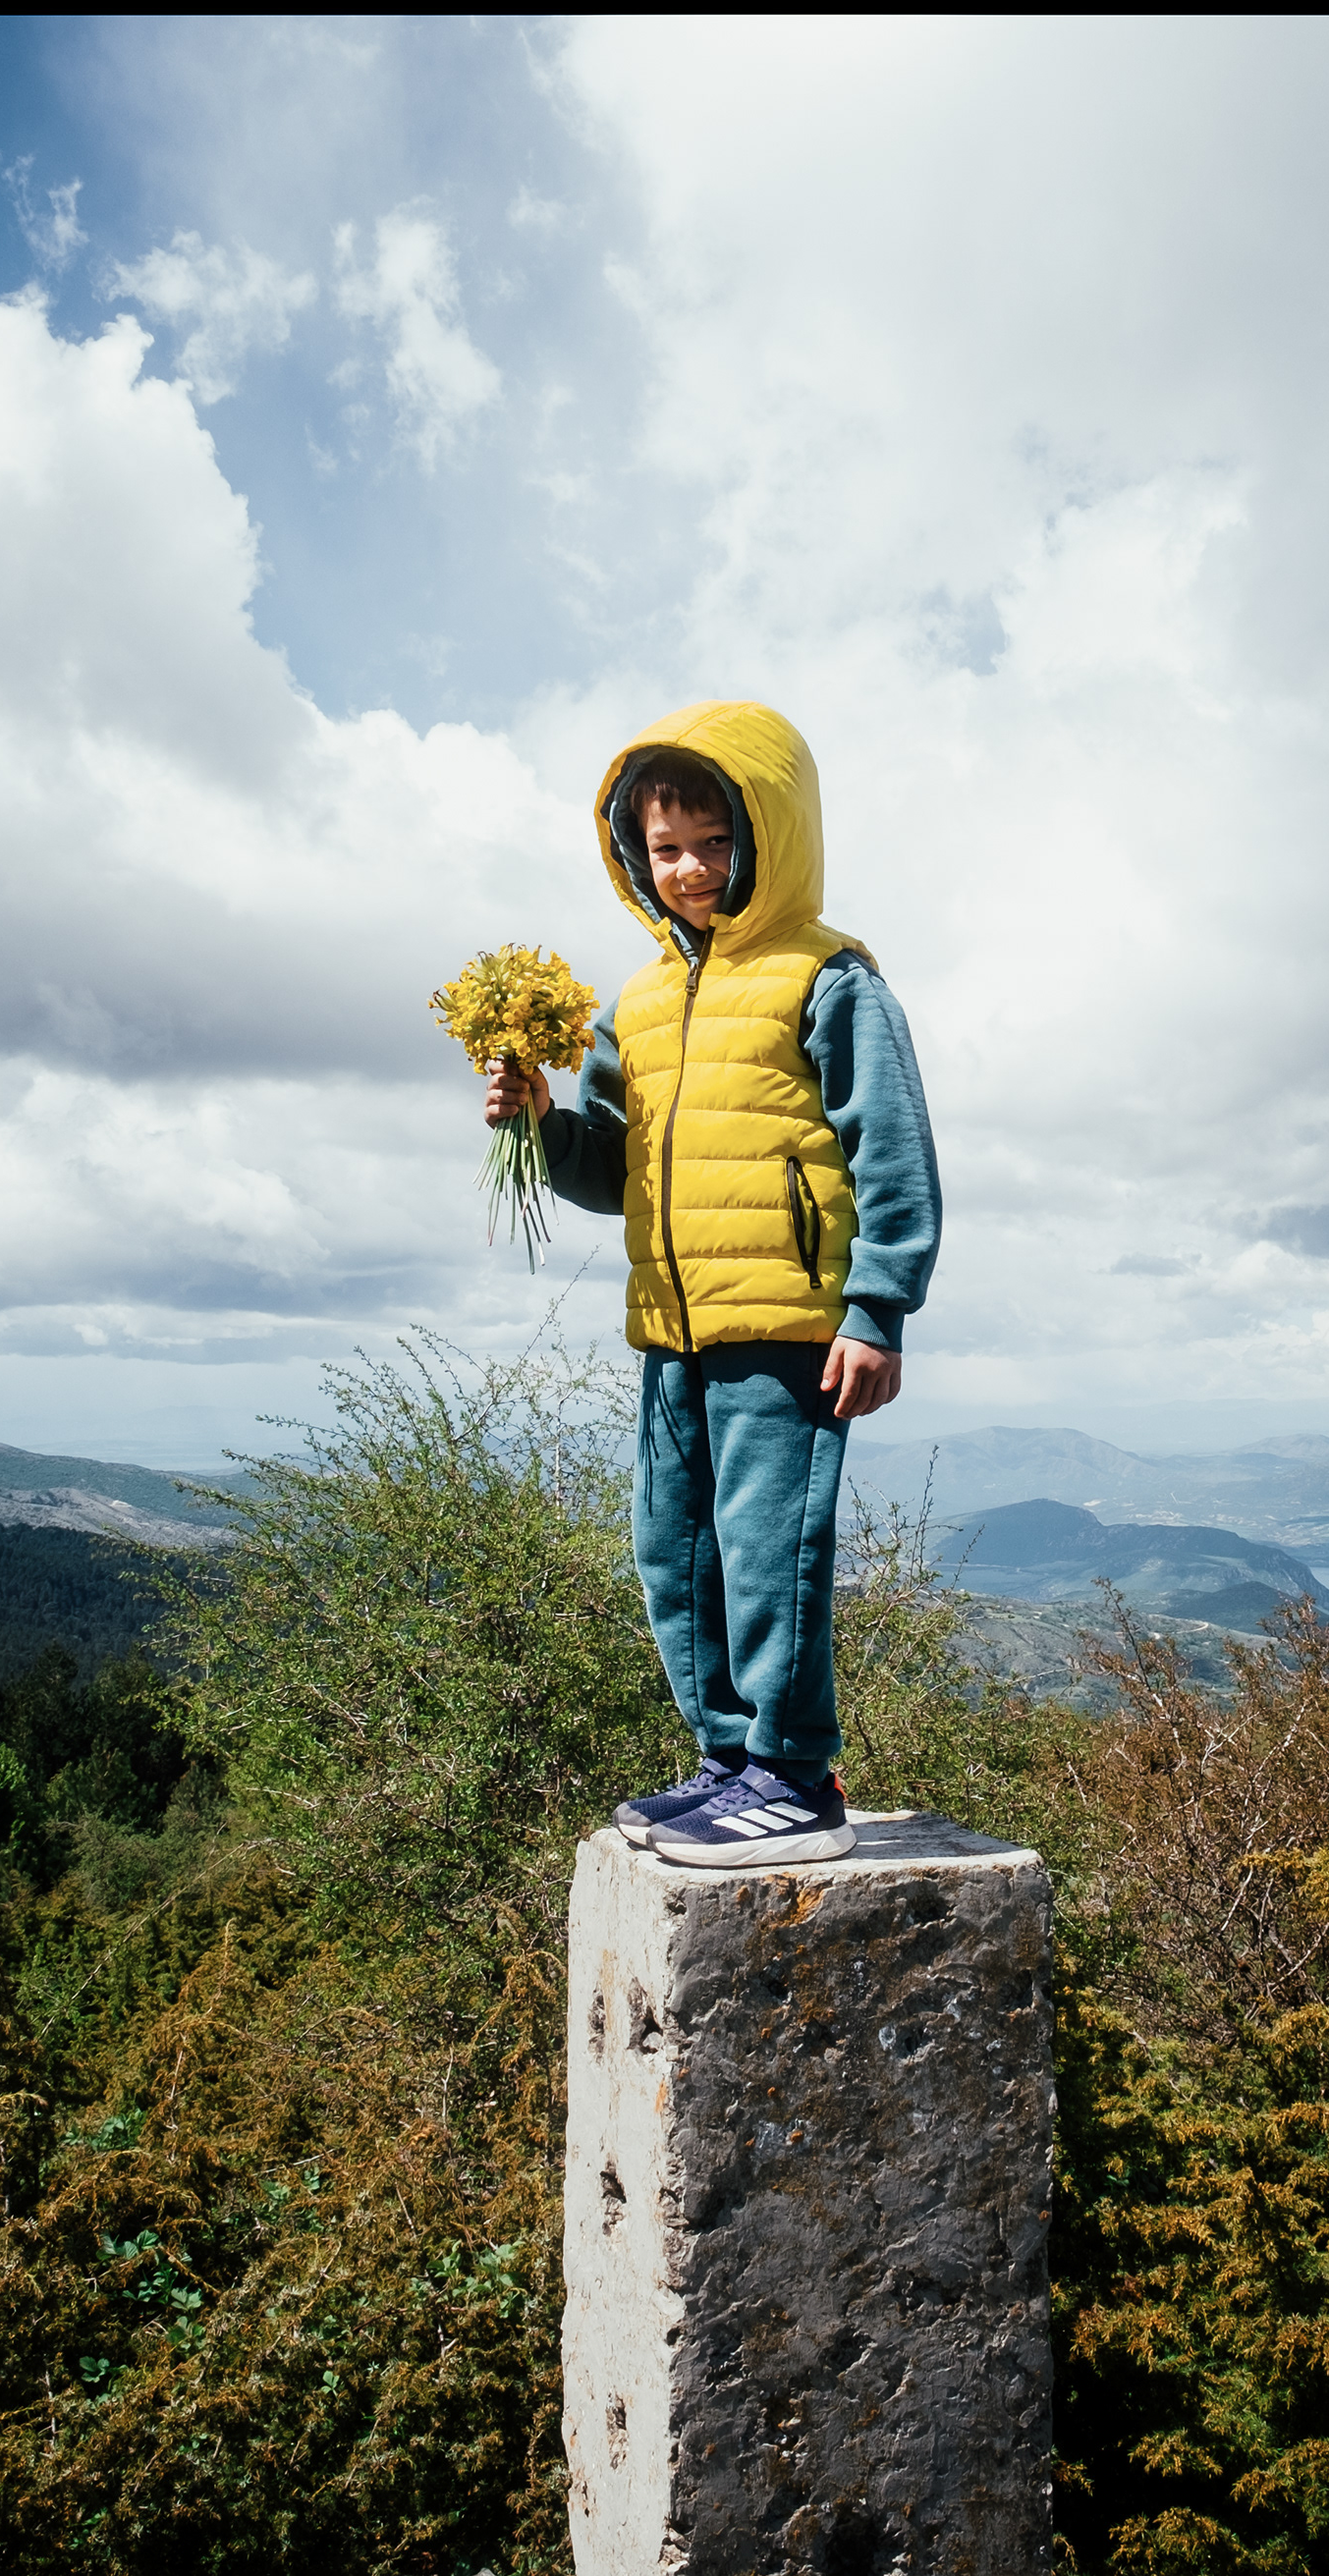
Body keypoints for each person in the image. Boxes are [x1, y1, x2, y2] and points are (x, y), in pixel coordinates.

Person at [484, 700, 941, 1866]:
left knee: (767, 1550)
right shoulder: (633, 1004)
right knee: (675, 1551)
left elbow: (891, 1150)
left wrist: (877, 1309)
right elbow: (613, 1172)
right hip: (670, 1327)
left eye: (714, 841)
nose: (687, 868)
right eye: (665, 847)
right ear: (634, 853)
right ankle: (729, 1763)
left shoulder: (827, 978)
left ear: (769, 834)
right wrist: (541, 1122)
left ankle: (794, 1776)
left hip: (788, 1329)